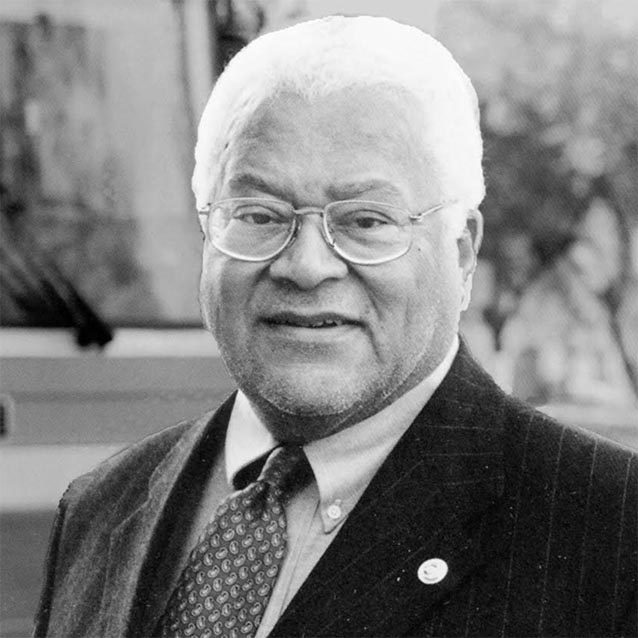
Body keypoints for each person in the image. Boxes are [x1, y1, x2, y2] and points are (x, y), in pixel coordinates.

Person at [34, 16, 637, 638]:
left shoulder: (612, 534)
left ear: (461, 252)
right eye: (260, 214)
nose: (305, 265)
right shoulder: (100, 507)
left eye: (366, 221)